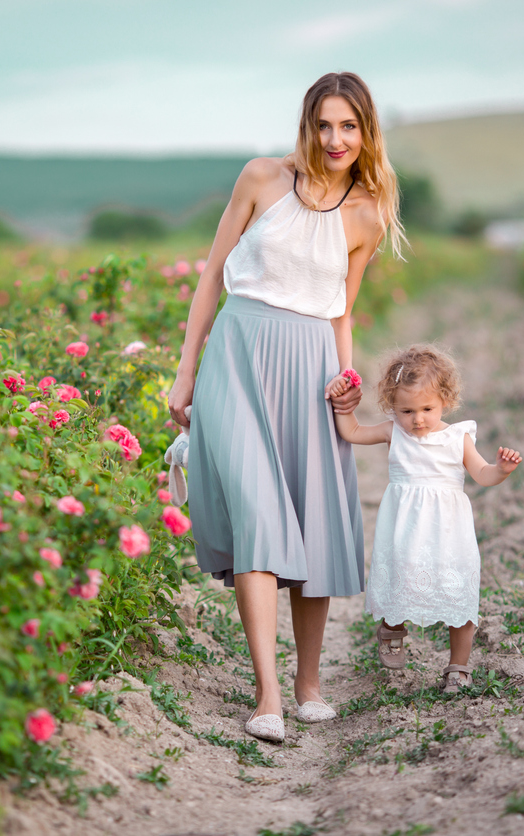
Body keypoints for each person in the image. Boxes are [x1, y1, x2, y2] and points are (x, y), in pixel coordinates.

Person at [167, 72, 407, 743]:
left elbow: (342, 311)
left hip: (312, 372)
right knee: (257, 514)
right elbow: (212, 274)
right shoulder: (260, 179)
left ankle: (309, 684)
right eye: (325, 125)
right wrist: (186, 373)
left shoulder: (366, 212)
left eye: (349, 127)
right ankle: (267, 695)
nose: (335, 139)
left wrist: (348, 379)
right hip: (237, 361)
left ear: (366, 132)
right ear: (308, 124)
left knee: (309, 518)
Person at [327, 344, 522, 693]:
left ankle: (458, 666)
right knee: (401, 576)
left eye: (427, 409)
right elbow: (353, 432)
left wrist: (502, 470)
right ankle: (392, 626)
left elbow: (483, 474)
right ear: (392, 406)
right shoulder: (393, 432)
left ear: (445, 400)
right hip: (406, 529)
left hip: (449, 532)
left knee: (457, 593)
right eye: (406, 410)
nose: (417, 419)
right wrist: (342, 405)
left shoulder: (457, 438)